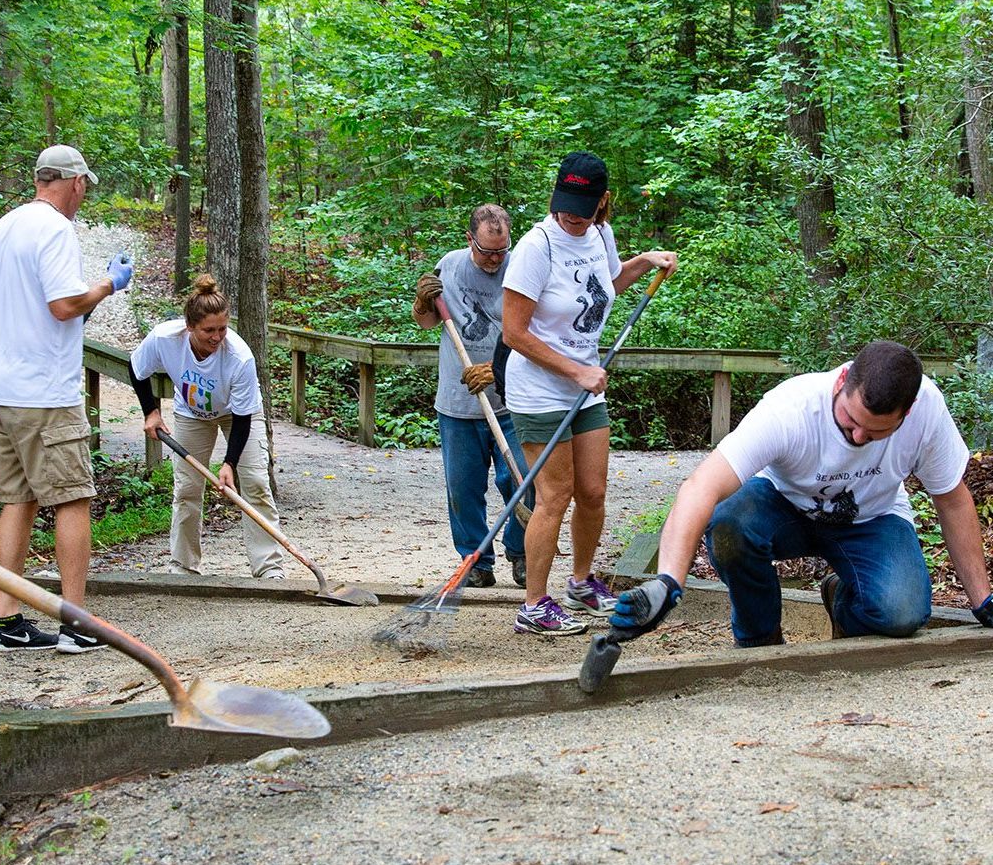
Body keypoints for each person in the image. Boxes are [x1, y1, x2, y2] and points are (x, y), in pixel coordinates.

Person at [607, 339, 993, 649]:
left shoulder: (927, 410)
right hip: (783, 507)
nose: (858, 437)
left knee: (903, 614)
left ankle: (843, 600)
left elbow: (952, 499)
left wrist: (983, 601)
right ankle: (762, 641)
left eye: (875, 433)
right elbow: (700, 487)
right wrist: (668, 582)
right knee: (728, 524)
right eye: (851, 421)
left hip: (871, 518)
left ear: (905, 414)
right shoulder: (791, 408)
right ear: (842, 382)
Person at [500, 152, 677, 634]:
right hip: (540, 388)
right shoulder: (539, 246)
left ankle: (581, 583)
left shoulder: (599, 234)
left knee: (593, 492)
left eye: (582, 205)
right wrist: (575, 371)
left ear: (602, 201)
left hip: (585, 384)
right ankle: (535, 604)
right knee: (553, 494)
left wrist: (643, 262)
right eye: (565, 203)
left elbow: (606, 288)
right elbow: (514, 333)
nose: (571, 215)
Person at [0, 144, 132, 653]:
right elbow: (63, 305)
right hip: (43, 393)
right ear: (76, 182)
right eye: (85, 188)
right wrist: (108, 284)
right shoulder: (56, 229)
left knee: (18, 498)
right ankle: (76, 622)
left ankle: (7, 621)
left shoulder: (0, 230)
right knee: (72, 497)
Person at [128, 274, 287, 578]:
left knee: (254, 484)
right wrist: (151, 412)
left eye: (222, 329)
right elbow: (137, 369)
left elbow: (242, 418)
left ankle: (268, 569)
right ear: (189, 327)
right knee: (187, 488)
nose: (217, 337)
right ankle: (183, 566)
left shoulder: (239, 357)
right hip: (191, 413)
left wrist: (229, 462)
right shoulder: (164, 339)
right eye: (208, 331)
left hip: (237, 414)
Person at [412, 204, 530, 589]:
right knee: (463, 488)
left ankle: (522, 550)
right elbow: (428, 322)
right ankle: (475, 559)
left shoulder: (522, 268)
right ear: (469, 240)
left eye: (501, 250)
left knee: (522, 479)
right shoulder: (451, 265)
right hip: (458, 401)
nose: (495, 259)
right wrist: (422, 302)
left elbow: (535, 332)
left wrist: (497, 372)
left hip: (513, 400)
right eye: (487, 251)